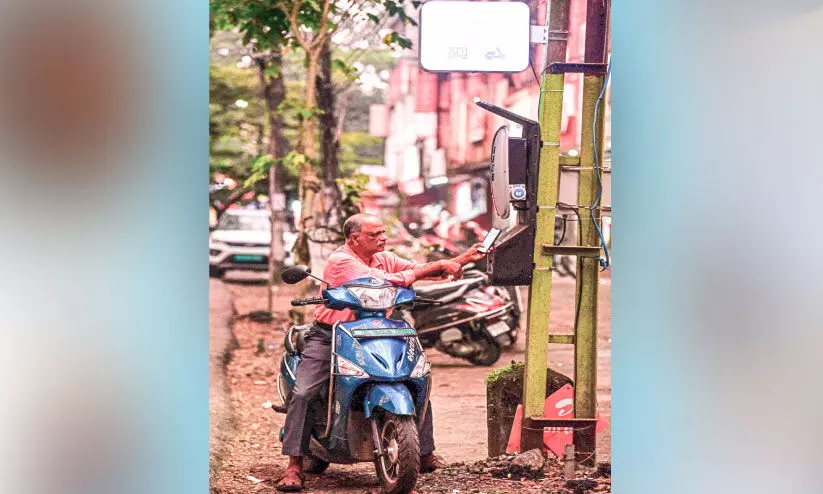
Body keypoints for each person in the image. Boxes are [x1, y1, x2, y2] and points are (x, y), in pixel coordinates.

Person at [276, 213, 486, 491]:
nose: (383, 238)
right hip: (331, 334)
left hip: (377, 330)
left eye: (383, 233)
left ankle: (424, 454)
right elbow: (385, 279)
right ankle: (294, 466)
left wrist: (463, 259)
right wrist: (435, 266)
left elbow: (418, 268)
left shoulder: (385, 256)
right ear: (354, 239)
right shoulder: (341, 261)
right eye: (374, 235)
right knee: (303, 393)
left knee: (414, 377)